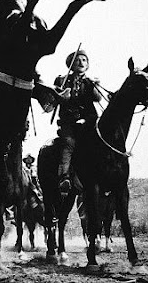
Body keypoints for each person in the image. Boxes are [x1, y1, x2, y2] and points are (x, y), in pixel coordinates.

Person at [54, 49, 102, 194]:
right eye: (77, 60)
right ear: (71, 64)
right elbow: (54, 99)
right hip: (68, 122)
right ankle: (65, 177)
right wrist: (61, 94)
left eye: (84, 60)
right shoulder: (61, 80)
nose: (81, 62)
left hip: (88, 121)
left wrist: (95, 86)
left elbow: (98, 98)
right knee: (68, 143)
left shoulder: (90, 81)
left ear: (87, 65)